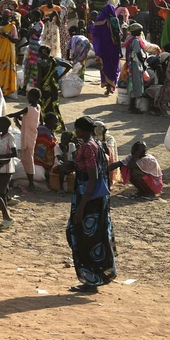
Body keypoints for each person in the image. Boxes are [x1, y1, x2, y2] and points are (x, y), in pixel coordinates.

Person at [64, 116, 117, 293]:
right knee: (93, 237)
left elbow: (92, 176)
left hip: (88, 200)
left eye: (76, 129)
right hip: (94, 200)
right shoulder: (96, 144)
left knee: (82, 235)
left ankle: (91, 281)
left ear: (82, 130)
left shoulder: (88, 147)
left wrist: (82, 205)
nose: (75, 132)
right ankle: (94, 278)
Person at [11, 88, 42, 192]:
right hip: (32, 136)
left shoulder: (28, 108)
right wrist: (21, 119)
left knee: (28, 160)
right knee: (27, 159)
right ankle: (31, 183)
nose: (27, 98)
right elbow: (35, 120)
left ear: (33, 97)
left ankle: (31, 184)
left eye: (29, 96)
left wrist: (4, 117)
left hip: (28, 137)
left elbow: (15, 114)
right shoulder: (38, 107)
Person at [0, 116, 17, 229]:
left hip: (6, 169)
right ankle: (3, 219)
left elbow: (14, 153)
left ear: (4, 126)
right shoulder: (1, 137)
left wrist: (2, 156)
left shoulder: (9, 137)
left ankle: (7, 217)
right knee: (0, 194)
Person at [90, 3, 121, 95]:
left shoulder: (99, 21)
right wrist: (119, 49)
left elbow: (94, 34)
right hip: (113, 48)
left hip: (103, 49)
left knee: (105, 66)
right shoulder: (114, 21)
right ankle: (112, 85)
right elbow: (118, 36)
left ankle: (107, 86)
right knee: (113, 67)